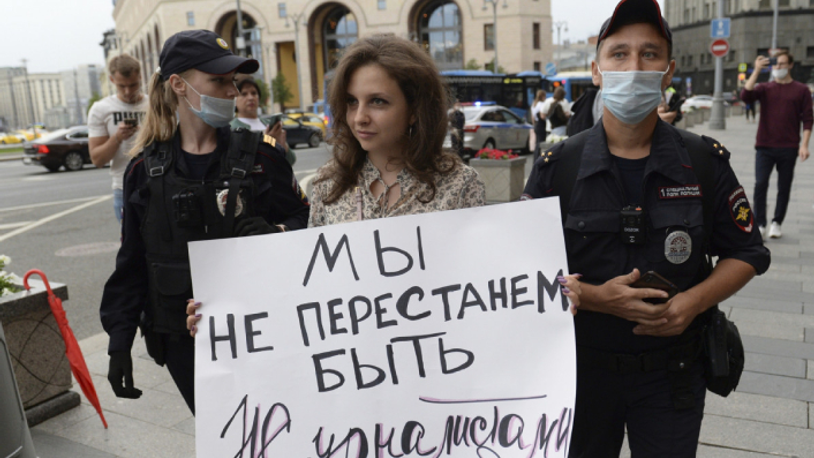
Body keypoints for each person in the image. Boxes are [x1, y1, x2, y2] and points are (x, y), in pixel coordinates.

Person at [522, 0, 770, 456]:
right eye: (618, 54)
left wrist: (692, 303)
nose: (633, 66)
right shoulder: (559, 166)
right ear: (597, 70)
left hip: (672, 376)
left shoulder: (702, 162)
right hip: (580, 376)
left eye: (649, 54)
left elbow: (749, 252)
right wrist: (597, 297)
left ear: (668, 71)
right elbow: (520, 273)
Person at [99, 30, 310, 414]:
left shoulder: (264, 158)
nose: (232, 92)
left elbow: (307, 223)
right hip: (180, 341)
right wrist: (119, 341)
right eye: (218, 81)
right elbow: (132, 261)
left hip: (262, 332)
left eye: (232, 81)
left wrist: (277, 233)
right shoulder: (144, 170)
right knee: (222, 433)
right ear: (179, 85)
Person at [740, 51, 812, 239]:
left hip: (789, 147)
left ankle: (776, 222)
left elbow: (808, 120)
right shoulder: (765, 88)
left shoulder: (801, 90)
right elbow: (745, 95)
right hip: (764, 145)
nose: (778, 68)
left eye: (781, 64)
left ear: (790, 65)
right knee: (760, 184)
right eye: (775, 64)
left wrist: (804, 145)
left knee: (784, 186)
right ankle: (761, 223)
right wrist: (756, 71)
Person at [88, 54, 148, 223]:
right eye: (122, 86)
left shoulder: (153, 105)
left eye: (133, 85)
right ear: (112, 80)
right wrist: (117, 138)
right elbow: (97, 159)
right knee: (132, 247)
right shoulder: (101, 109)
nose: (128, 92)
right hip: (124, 187)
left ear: (140, 77)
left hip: (156, 184)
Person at [229, 78, 296, 165]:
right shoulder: (231, 128)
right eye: (244, 94)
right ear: (235, 99)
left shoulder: (268, 124)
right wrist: (268, 141)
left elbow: (291, 160)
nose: (250, 98)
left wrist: (282, 144)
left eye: (254, 93)